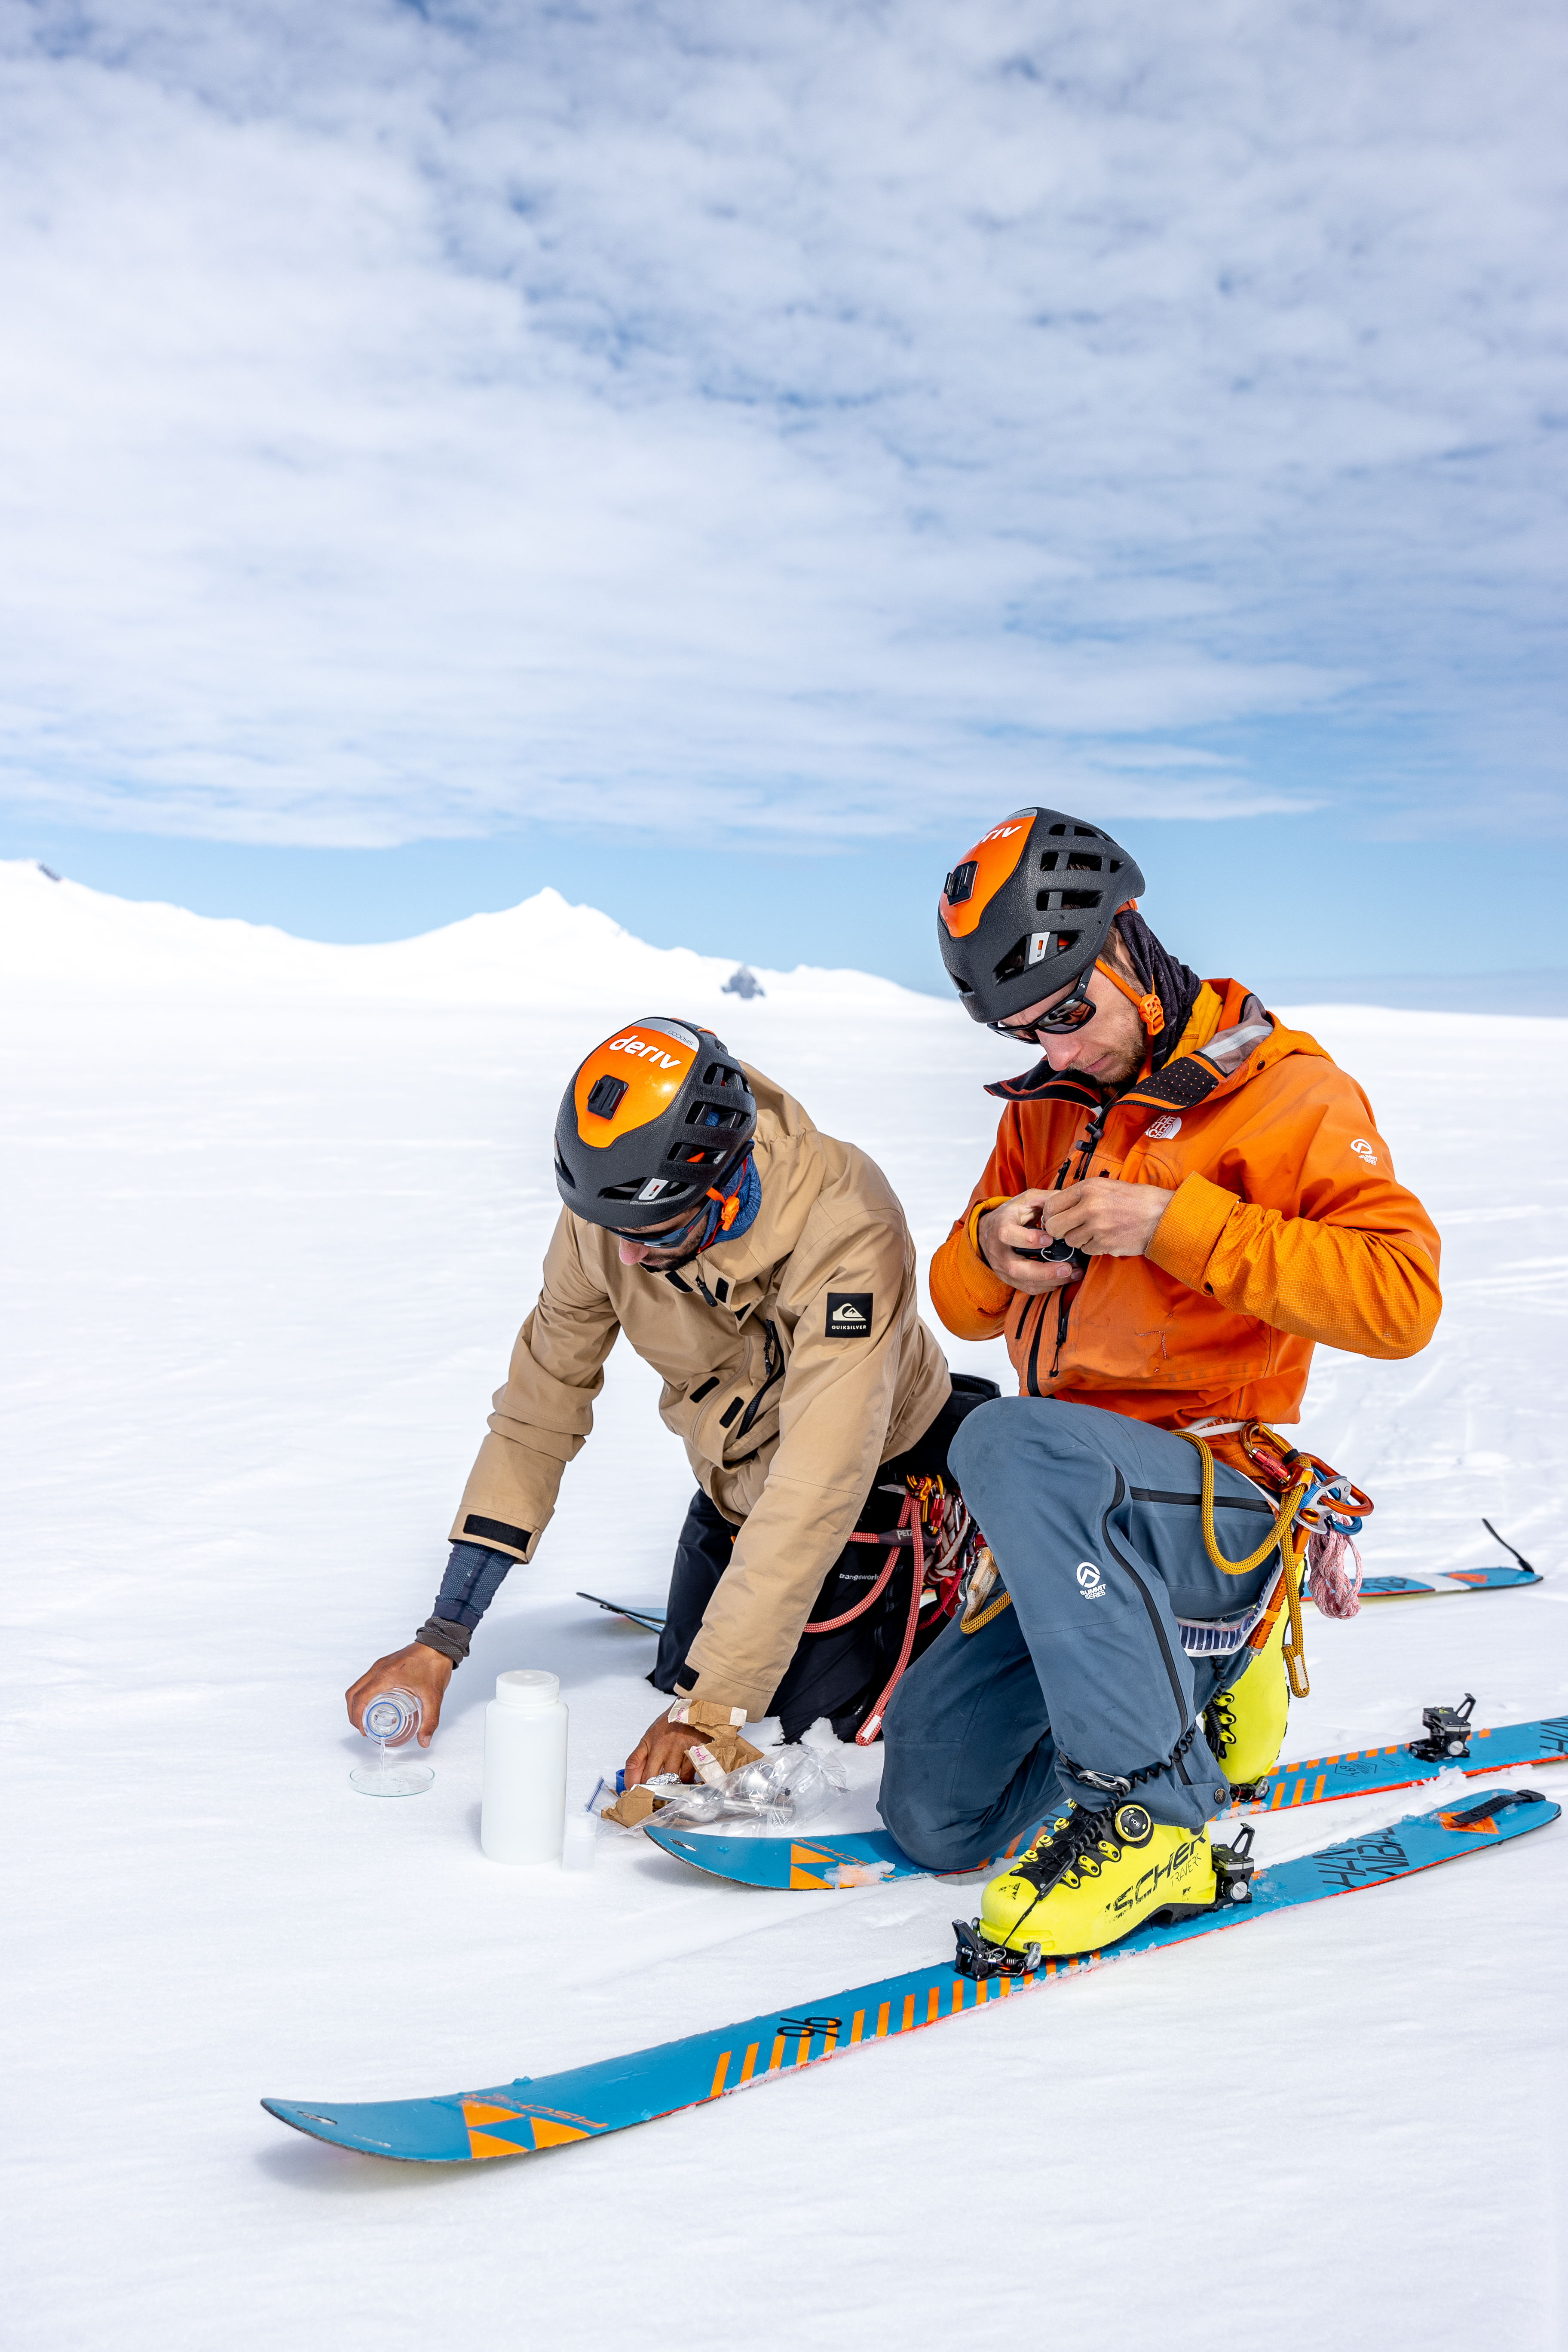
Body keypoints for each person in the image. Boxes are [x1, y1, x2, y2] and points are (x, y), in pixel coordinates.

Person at [877, 807, 1442, 1960]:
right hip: (1079, 1523)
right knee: (938, 1817)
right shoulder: (1048, 1113)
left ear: (1126, 940)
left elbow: (1401, 1299)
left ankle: (1157, 1812)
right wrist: (991, 1246)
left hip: (1214, 1487)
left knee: (999, 1440)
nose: (1063, 1050)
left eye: (1072, 1015)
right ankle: (1192, 1676)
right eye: (1033, 1033)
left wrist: (1177, 1225)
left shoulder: (1288, 1094)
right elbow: (959, 1305)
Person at [346, 1016, 994, 1786]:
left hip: (870, 1476)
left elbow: (820, 1478)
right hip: (737, 1480)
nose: (624, 1254)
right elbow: (538, 1408)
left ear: (723, 1183)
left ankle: (964, 1559)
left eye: (653, 1231)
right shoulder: (614, 1209)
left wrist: (713, 1708)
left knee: (801, 1721)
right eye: (611, 1226)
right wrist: (443, 1635)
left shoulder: (850, 1228)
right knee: (675, 1677)